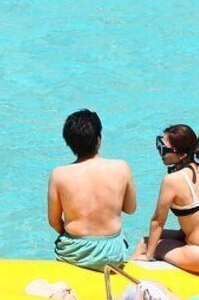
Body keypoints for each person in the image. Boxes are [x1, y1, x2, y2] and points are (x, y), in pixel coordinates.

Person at [131, 125, 199, 275]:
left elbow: (157, 221)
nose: (161, 153)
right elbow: (197, 219)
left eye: (165, 149)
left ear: (182, 155)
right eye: (159, 144)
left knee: (145, 244)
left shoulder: (172, 180)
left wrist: (148, 256)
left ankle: (125, 285)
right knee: (162, 237)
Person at [48, 109, 137, 271]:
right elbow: (130, 209)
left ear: (68, 142)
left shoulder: (59, 174)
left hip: (74, 253)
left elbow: (54, 221)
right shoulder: (121, 167)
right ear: (99, 139)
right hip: (112, 255)